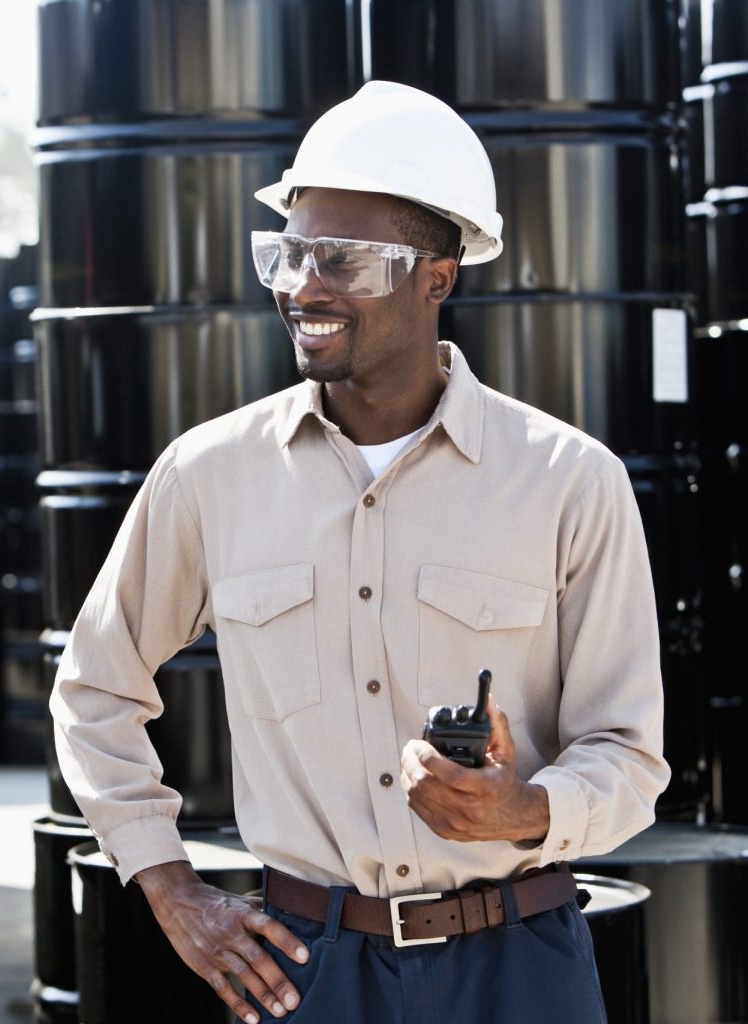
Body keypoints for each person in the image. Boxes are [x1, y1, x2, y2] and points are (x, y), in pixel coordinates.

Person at [50, 81, 669, 1023]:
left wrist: (525, 813)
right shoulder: (210, 474)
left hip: (521, 971)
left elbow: (628, 756)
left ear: (438, 275)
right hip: (307, 972)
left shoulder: (568, 481)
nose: (305, 286)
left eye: (344, 259)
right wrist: (171, 888)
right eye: (289, 253)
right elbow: (94, 690)